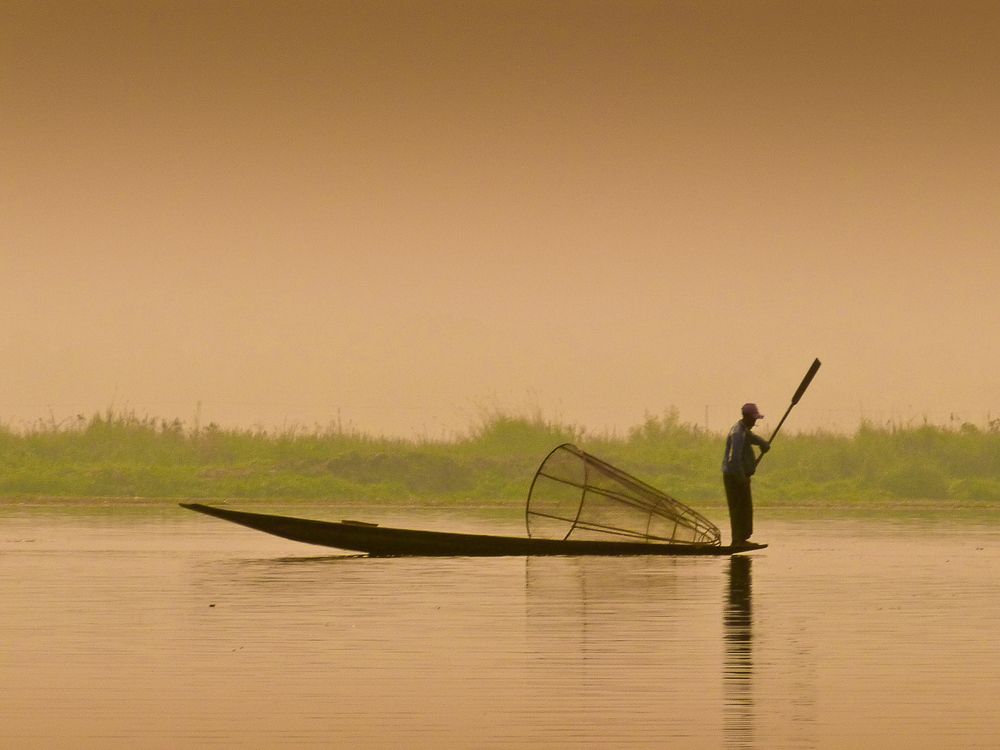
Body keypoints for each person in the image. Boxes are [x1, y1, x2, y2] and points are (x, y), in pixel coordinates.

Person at [722, 403, 770, 547]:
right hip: (734, 477)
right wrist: (742, 478)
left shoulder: (744, 430)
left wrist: (763, 444)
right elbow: (733, 460)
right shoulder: (737, 433)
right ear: (746, 417)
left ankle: (742, 539)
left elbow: (751, 437)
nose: (755, 421)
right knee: (738, 509)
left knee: (745, 508)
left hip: (741, 476)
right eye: (753, 418)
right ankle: (737, 540)